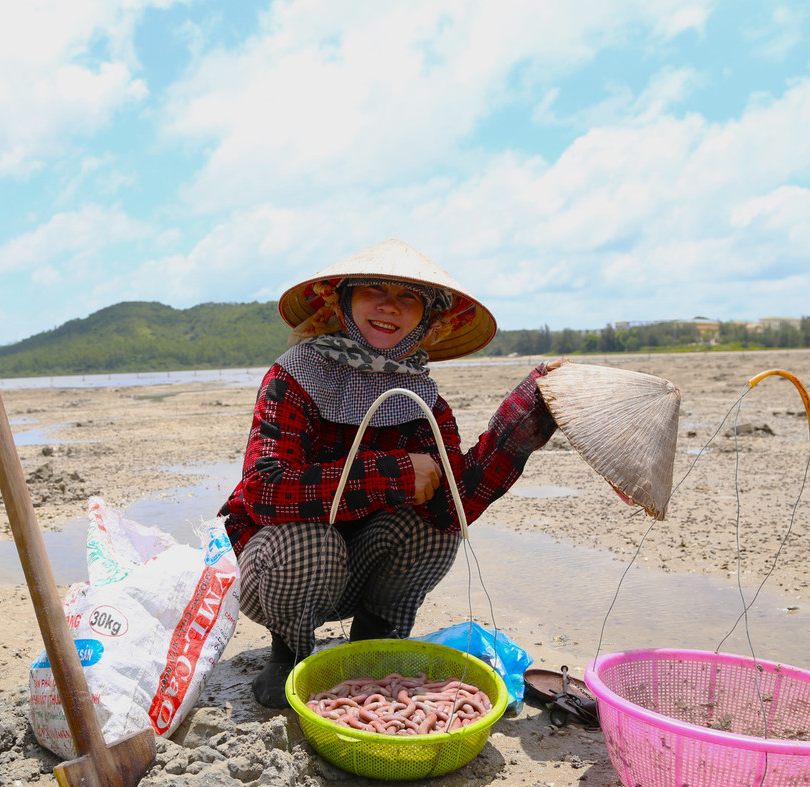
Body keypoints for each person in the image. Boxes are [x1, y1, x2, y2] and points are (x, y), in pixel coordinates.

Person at [218, 239, 562, 708]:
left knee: (436, 531)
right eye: (372, 291)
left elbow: (453, 505)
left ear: (426, 319)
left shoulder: (424, 399)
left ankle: (373, 640)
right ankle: (290, 649)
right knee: (307, 540)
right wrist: (394, 475)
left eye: (408, 298)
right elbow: (265, 490)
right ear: (343, 303)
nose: (388, 306)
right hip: (284, 569)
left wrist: (524, 417)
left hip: (363, 566)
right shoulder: (293, 376)